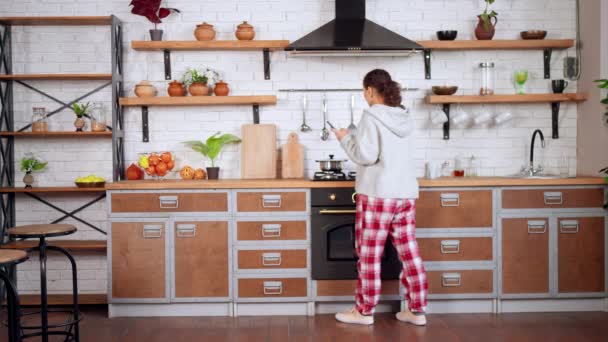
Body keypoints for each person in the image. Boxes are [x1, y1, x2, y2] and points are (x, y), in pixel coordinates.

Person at [332, 69, 428, 326]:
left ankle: (364, 312)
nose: (364, 95)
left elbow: (366, 155)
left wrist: (344, 139)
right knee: (409, 253)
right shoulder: (405, 117)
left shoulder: (371, 116)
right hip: (405, 193)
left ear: (371, 90)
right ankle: (416, 310)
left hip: (378, 194)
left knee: (369, 254)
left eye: (364, 90)